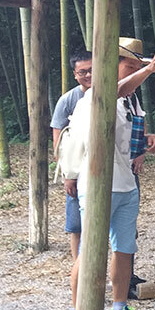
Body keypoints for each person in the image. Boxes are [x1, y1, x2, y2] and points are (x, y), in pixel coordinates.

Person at [64, 38, 155, 310]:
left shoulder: (129, 101)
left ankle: (119, 308)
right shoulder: (95, 95)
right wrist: (149, 70)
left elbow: (126, 140)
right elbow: (117, 89)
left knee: (124, 248)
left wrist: (146, 142)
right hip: (98, 184)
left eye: (137, 67)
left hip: (126, 184)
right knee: (90, 249)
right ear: (111, 65)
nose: (135, 72)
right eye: (130, 66)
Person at [52, 50, 92, 260]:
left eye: (92, 70)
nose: (88, 75)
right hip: (77, 170)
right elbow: (59, 142)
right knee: (76, 224)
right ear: (75, 75)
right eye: (83, 72)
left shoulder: (118, 93)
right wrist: (68, 175)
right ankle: (78, 266)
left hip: (108, 167)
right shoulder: (67, 100)